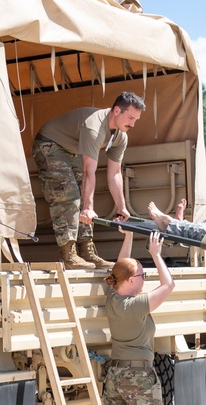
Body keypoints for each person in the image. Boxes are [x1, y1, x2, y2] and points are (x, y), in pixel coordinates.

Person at [32, 91, 146, 270]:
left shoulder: (121, 136)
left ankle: (87, 251)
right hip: (49, 143)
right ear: (117, 111)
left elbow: (114, 173)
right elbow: (88, 171)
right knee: (68, 194)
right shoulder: (94, 127)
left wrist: (121, 207)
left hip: (71, 149)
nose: (133, 124)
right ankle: (68, 255)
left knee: (84, 195)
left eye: (136, 120)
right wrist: (87, 208)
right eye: (130, 118)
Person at [101, 229, 175, 405]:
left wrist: (128, 236)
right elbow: (168, 286)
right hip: (140, 377)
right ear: (131, 280)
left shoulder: (113, 298)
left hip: (116, 375)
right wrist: (156, 255)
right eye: (142, 276)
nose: (146, 279)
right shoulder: (136, 305)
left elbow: (119, 267)